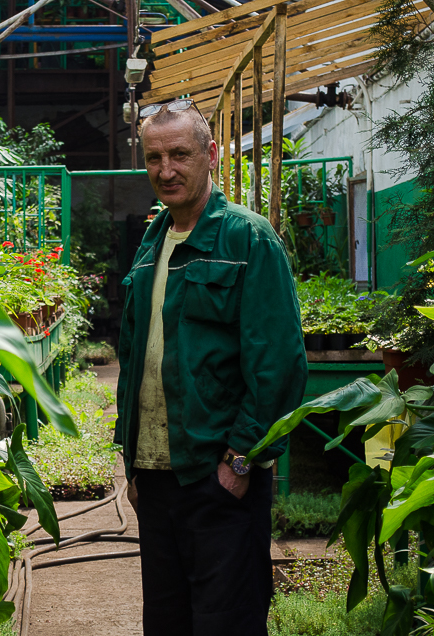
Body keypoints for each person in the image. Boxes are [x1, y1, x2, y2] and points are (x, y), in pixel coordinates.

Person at [114, 100, 307, 635]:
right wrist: (133, 463)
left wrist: (240, 461)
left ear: (212, 154)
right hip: (156, 480)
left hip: (217, 475)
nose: (166, 170)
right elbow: (135, 358)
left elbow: (278, 363)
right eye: (154, 158)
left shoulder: (248, 239)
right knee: (167, 622)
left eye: (179, 154)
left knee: (227, 622)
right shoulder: (153, 241)